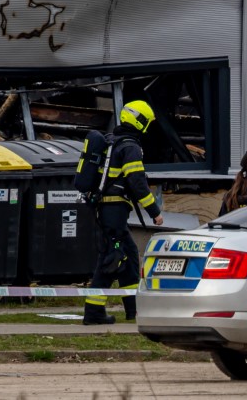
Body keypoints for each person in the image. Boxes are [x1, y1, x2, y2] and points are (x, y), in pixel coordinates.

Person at [83, 99, 164, 325]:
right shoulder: (130, 147)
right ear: (140, 122)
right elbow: (137, 182)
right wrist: (154, 211)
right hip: (113, 211)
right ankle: (94, 312)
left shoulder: (113, 141)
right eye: (146, 122)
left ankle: (133, 309)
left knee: (127, 256)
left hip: (109, 211)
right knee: (112, 258)